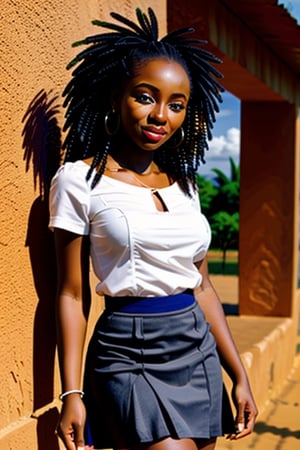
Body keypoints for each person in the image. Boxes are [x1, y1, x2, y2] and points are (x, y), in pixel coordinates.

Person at [49, 7, 257, 450]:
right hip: (129, 352)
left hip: (195, 347)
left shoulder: (184, 185)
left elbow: (201, 285)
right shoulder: (78, 181)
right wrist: (71, 393)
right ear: (114, 97)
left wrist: (238, 374)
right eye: (145, 96)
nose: (161, 115)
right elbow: (70, 292)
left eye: (176, 104)